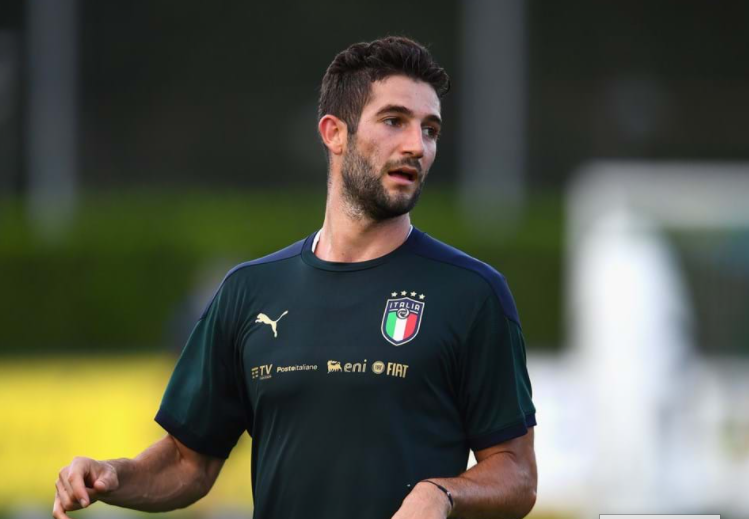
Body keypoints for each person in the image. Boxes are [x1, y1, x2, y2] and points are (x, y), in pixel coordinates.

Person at [53, 36, 537, 519]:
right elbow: (187, 462)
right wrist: (113, 475)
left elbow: (516, 474)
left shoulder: (472, 293)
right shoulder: (249, 291)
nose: (417, 146)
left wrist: (441, 494)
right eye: (394, 121)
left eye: (430, 130)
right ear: (334, 133)